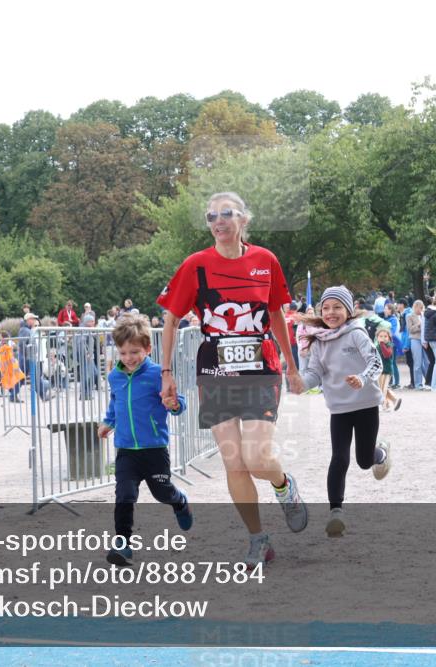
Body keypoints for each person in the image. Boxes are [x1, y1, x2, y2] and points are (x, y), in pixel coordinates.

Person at [157, 191, 307, 568]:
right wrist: (167, 373)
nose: (219, 222)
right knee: (234, 463)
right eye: (211, 216)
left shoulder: (265, 260)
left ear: (244, 220)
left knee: (257, 459)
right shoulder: (196, 266)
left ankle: (284, 486)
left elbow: (275, 315)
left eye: (227, 214)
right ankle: (259, 539)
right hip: (215, 371)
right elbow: (172, 318)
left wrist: (291, 365)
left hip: (260, 369)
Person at [97, 315, 192, 566]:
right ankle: (123, 544)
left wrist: (173, 404)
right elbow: (116, 402)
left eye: (135, 351)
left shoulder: (157, 374)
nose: (129, 358)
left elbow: (179, 403)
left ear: (148, 348)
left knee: (163, 493)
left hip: (154, 449)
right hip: (126, 450)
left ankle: (180, 501)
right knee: (124, 495)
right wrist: (109, 422)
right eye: (123, 352)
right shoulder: (115, 377)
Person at [298, 286, 391, 537]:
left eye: (337, 307)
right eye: (326, 308)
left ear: (348, 310)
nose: (331, 313)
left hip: (366, 404)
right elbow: (315, 374)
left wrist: (361, 378)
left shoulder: (356, 333)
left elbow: (376, 362)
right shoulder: (319, 341)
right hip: (338, 408)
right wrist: (299, 385)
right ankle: (335, 513)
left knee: (363, 460)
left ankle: (379, 452)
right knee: (339, 458)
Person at [375, 326, 402, 412]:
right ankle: (394, 400)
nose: (383, 338)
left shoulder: (389, 345)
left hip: (386, 370)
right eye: (381, 336)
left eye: (385, 336)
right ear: (377, 337)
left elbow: (387, 354)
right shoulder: (377, 346)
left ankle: (385, 405)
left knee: (383, 388)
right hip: (379, 371)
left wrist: (382, 344)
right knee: (382, 388)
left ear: (389, 337)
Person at [0, 330, 25, 402]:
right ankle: (13, 396)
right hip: (5, 366)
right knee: (10, 381)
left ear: (3, 337)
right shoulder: (0, 345)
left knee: (19, 379)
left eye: (0, 336)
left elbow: (16, 352)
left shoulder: (11, 344)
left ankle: (13, 395)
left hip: (12, 366)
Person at [406, 300, 427, 390]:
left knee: (427, 362)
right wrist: (419, 324)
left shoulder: (424, 315)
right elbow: (410, 330)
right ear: (415, 307)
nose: (421, 310)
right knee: (417, 363)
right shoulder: (410, 316)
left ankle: (429, 381)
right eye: (420, 308)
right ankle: (418, 384)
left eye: (422, 308)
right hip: (415, 339)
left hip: (425, 340)